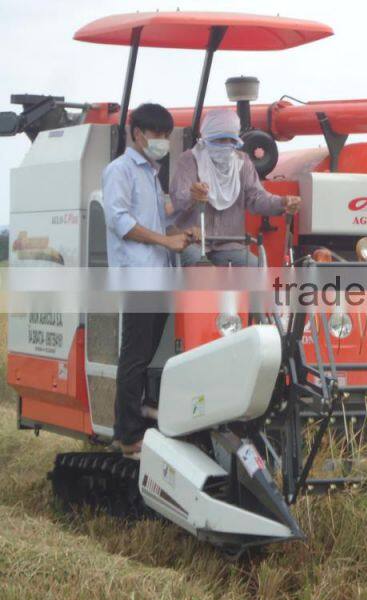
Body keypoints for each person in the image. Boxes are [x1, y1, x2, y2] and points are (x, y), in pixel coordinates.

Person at [102, 103, 191, 458]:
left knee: (145, 355)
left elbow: (158, 221)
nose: (164, 141)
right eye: (158, 135)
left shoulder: (150, 173)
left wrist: (181, 231)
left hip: (159, 274)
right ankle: (128, 437)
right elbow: (119, 221)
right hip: (138, 275)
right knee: (135, 356)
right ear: (137, 133)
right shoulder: (119, 171)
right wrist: (165, 240)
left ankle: (130, 425)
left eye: (167, 135)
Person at [170, 109, 301, 266]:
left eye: (231, 140)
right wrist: (193, 195)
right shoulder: (189, 160)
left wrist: (282, 202)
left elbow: (256, 198)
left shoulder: (242, 162)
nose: (226, 145)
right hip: (191, 241)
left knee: (256, 268)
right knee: (204, 271)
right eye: (219, 140)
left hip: (229, 244)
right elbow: (178, 198)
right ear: (206, 139)